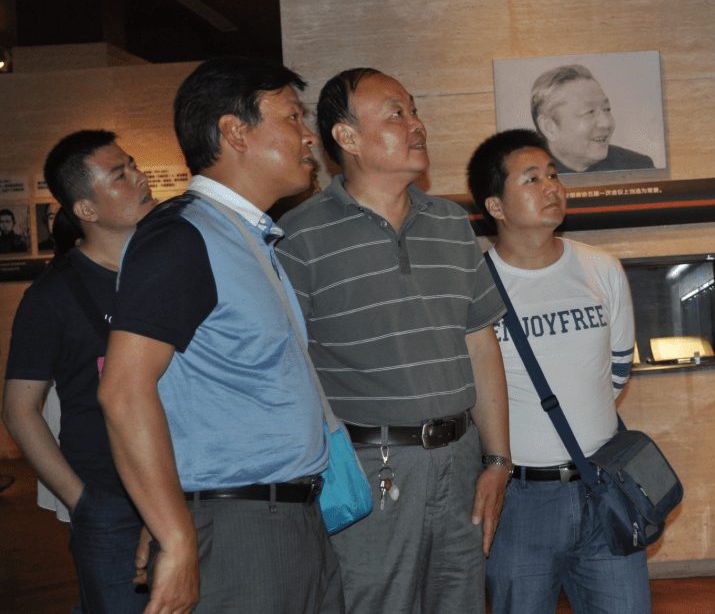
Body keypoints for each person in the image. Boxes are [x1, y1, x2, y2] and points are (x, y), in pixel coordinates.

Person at [98, 56, 343, 614]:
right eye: (292, 118)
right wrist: (177, 535)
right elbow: (124, 391)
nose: (309, 136)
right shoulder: (181, 237)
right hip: (242, 531)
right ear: (235, 131)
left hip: (287, 520)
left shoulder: (243, 236)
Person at [275, 67, 511, 614]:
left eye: (415, 110)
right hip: (367, 468)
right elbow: (288, 369)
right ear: (347, 137)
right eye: (396, 114)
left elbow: (480, 345)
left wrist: (498, 459)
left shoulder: (450, 222)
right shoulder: (299, 237)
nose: (417, 124)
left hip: (461, 460)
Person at [466, 129, 648, 614]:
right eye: (531, 179)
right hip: (519, 500)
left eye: (553, 175)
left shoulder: (601, 268)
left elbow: (617, 369)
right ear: (496, 206)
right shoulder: (475, 286)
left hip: (603, 484)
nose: (552, 187)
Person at [3, 130, 156, 614]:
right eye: (120, 174)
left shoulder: (171, 269)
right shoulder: (51, 297)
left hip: (195, 488)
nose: (140, 178)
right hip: (112, 503)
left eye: (133, 165)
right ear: (86, 209)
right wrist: (81, 500)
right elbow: (19, 409)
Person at [530, 65, 655, 174]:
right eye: (589, 112)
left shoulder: (637, 167)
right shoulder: (526, 175)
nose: (606, 123)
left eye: (607, 109)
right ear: (549, 127)